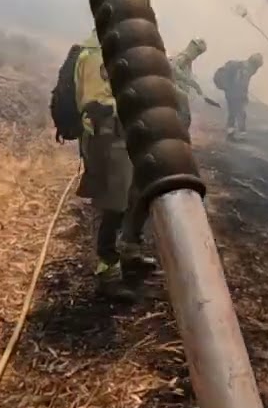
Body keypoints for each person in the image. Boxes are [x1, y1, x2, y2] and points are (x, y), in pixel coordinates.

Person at [72, 31, 157, 299]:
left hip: (125, 138)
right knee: (114, 204)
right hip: (108, 141)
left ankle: (130, 250)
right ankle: (107, 271)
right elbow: (97, 104)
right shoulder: (97, 54)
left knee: (136, 194)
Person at [213, 52, 264, 140]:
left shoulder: (242, 66)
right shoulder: (246, 69)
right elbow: (241, 84)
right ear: (255, 64)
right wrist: (243, 96)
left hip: (229, 91)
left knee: (232, 111)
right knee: (241, 112)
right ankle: (241, 132)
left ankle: (231, 130)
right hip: (235, 93)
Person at [169, 37, 208, 127]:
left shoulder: (186, 59)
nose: (197, 55)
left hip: (175, 86)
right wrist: (189, 81)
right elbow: (173, 69)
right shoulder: (184, 57)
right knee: (184, 114)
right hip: (173, 86)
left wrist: (196, 86)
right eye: (198, 52)